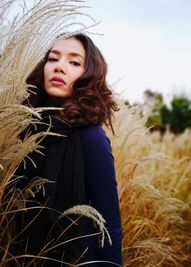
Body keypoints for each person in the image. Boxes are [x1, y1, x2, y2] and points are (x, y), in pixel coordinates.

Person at [13, 33, 122, 266]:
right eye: (53, 59)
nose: (59, 68)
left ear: (89, 75)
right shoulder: (22, 129)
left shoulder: (90, 137)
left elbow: (109, 222)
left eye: (74, 62)